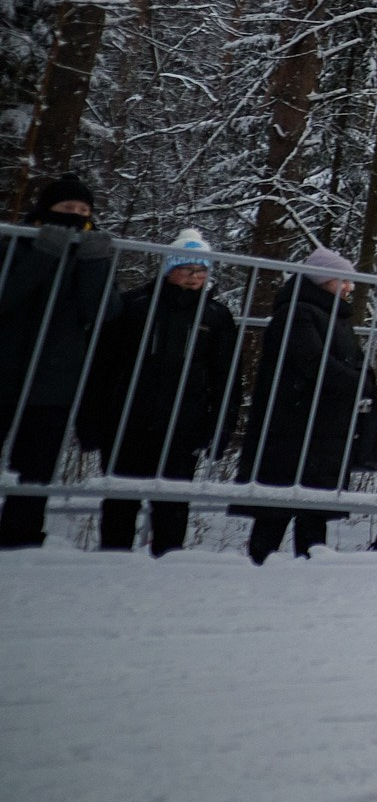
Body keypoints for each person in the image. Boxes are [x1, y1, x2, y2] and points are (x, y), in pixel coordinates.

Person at [81, 229, 239, 555]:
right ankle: (112, 561)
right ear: (169, 268)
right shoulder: (135, 305)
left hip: (184, 422)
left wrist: (221, 426)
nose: (195, 276)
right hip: (127, 417)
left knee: (172, 504)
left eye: (201, 270)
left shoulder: (216, 315)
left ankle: (168, 564)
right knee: (120, 499)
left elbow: (226, 376)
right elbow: (103, 364)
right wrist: (91, 418)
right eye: (187, 268)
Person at [232, 248, 377, 563]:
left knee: (313, 509)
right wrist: (359, 383)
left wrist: (370, 385)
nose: (349, 287)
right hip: (293, 422)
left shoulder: (335, 316)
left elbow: (353, 362)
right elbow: (313, 361)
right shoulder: (298, 313)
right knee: (277, 505)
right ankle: (260, 565)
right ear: (323, 280)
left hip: (322, 426)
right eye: (343, 280)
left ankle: (310, 568)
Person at [0, 173, 122, 548]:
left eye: (84, 211)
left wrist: (95, 265)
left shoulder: (91, 252)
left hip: (55, 380)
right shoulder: (14, 241)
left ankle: (20, 540)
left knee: (35, 471)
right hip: (5, 370)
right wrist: (41, 255)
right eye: (67, 207)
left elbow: (103, 312)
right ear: (45, 209)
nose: (76, 216)